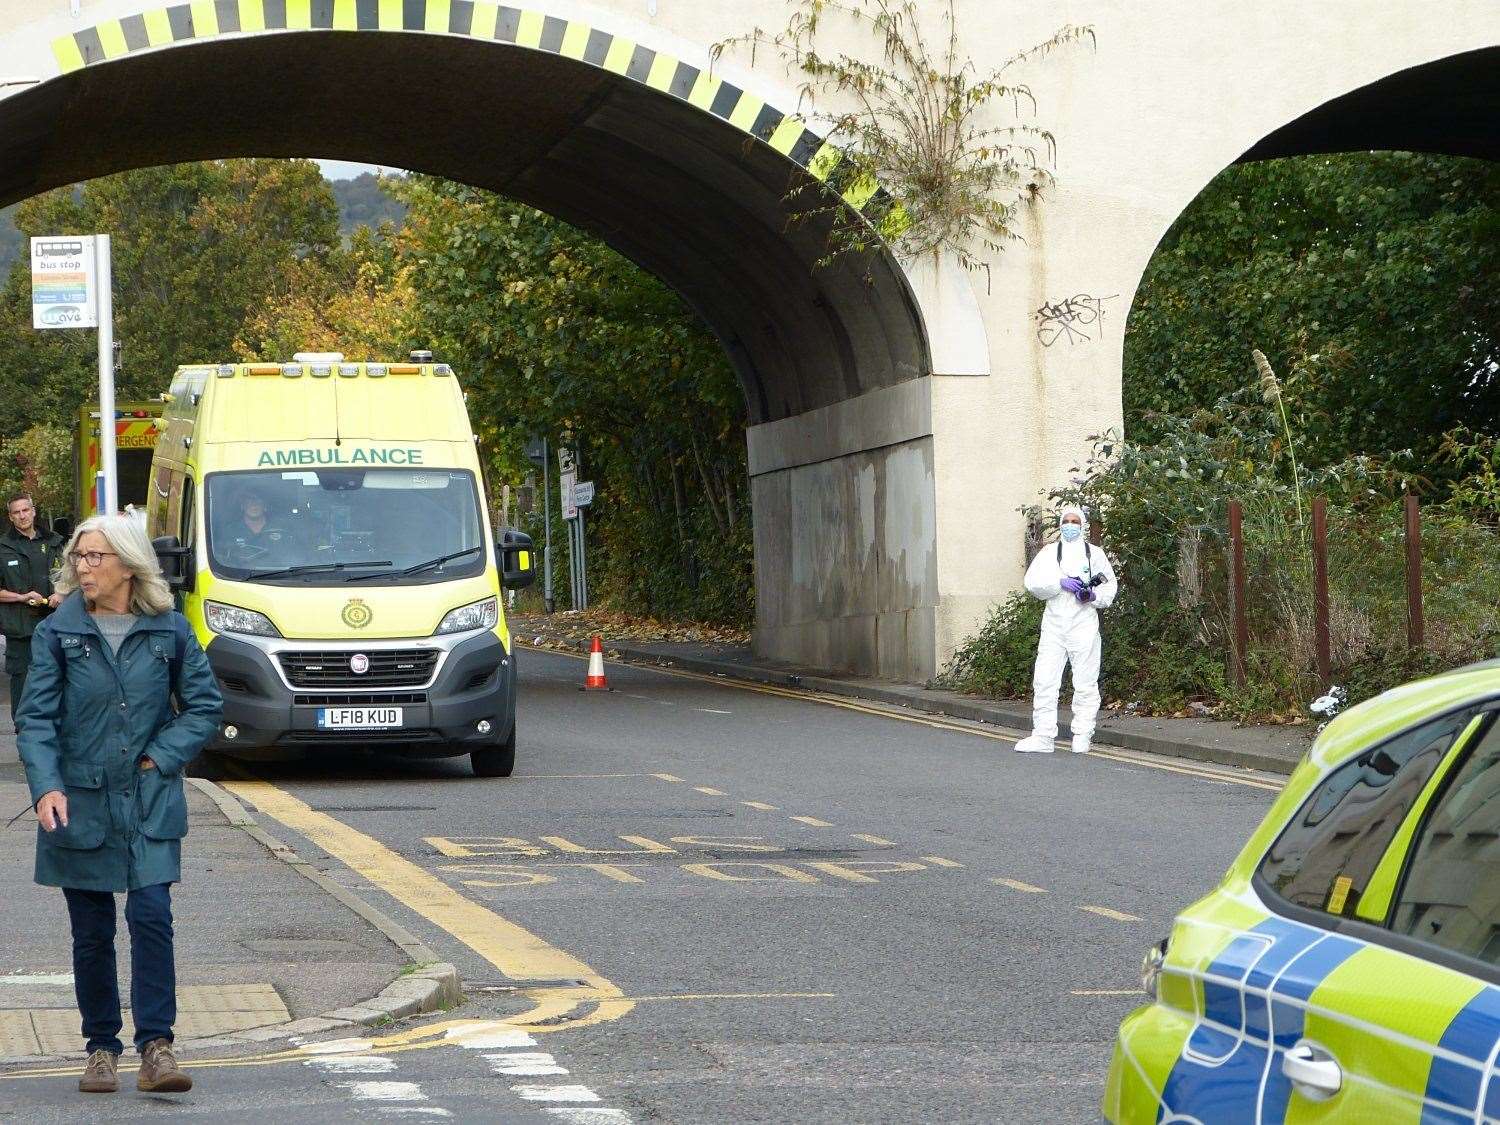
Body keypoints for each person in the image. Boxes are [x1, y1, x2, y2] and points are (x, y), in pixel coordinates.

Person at [17, 515, 223, 1095]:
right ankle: (101, 1049)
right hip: (79, 799)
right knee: (91, 928)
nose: (83, 567)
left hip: (149, 796)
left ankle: (157, 1047)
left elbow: (205, 706)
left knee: (151, 915)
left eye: (95, 557)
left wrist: (162, 755)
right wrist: (46, 786)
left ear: (128, 565)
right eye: (79, 557)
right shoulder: (59, 632)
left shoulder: (171, 630)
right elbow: (34, 719)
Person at [1013, 504, 1119, 756]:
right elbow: (1033, 583)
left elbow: (1109, 587)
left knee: (1085, 681)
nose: (1069, 526)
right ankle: (1043, 735)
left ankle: (1082, 734)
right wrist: (1059, 583)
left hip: (1083, 624)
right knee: (1045, 680)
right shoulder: (1050, 553)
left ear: (1081, 525)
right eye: (1066, 521)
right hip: (1054, 625)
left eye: (1075, 521)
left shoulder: (1095, 554)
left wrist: (1091, 595)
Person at [0, 493, 64, 726]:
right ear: (10, 517)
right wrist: (21, 597)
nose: (22, 516)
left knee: (59, 681)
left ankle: (56, 736)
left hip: (56, 626)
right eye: (16, 512)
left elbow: (71, 576)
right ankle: (25, 737)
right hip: (21, 630)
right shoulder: (3, 547)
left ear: (34, 511)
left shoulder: (55, 542)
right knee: (25, 687)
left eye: (25, 510)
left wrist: (62, 593)